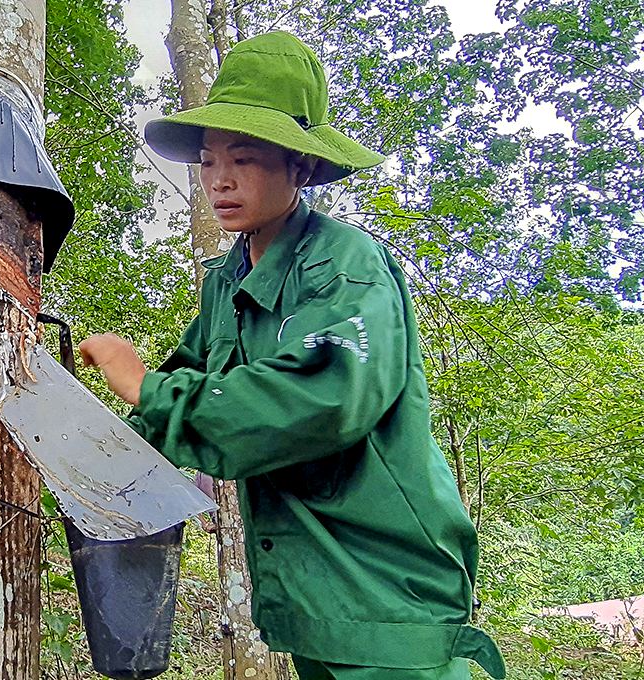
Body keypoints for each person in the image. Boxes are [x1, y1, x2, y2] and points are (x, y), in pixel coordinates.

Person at [77, 31, 506, 680]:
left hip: (387, 591)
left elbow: (329, 396)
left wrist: (149, 389)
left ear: (299, 169)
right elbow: (184, 391)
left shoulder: (345, 265)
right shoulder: (227, 283)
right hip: (307, 593)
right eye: (208, 161)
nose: (219, 180)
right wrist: (91, 449)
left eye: (244, 159)